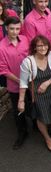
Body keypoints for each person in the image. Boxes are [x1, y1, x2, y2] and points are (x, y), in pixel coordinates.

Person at [18, 35, 51, 153]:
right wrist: (21, 100)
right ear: (34, 47)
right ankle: (48, 138)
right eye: (39, 45)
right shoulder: (27, 62)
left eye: (45, 45)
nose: (43, 48)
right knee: (41, 117)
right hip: (38, 95)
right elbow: (23, 83)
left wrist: (48, 83)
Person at [0, 17, 30, 149]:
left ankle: (36, 126)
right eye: (12, 28)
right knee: (19, 111)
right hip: (15, 84)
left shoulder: (25, 40)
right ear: (6, 28)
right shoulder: (1, 47)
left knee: (32, 104)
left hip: (30, 81)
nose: (15, 31)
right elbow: (3, 70)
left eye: (17, 28)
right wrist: (20, 81)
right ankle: (21, 133)